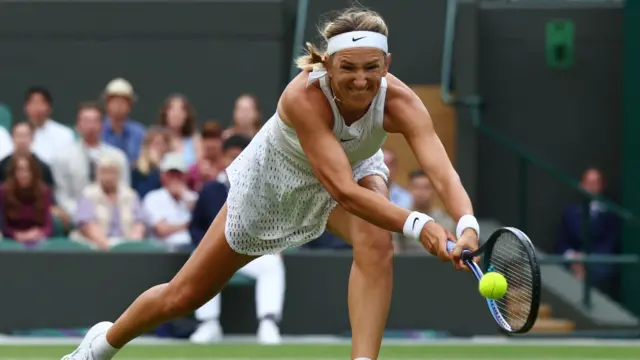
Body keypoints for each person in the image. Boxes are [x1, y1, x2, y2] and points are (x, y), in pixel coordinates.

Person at [62, 7, 479, 360]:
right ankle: (100, 345)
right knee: (184, 296)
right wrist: (419, 224)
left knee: (376, 243)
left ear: (386, 65)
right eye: (347, 67)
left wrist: (467, 227)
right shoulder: (303, 96)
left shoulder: (402, 102)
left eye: (372, 67)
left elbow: (444, 173)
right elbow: (343, 192)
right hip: (274, 186)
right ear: (327, 64)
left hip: (350, 164)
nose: (360, 79)